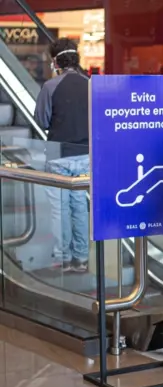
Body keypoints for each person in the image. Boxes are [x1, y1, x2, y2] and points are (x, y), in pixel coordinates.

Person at [35, 38, 89, 273]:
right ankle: (82, 258)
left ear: (56, 61)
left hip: (59, 154)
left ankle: (63, 258)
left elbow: (41, 120)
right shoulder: (91, 84)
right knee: (79, 204)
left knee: (60, 207)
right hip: (86, 155)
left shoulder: (51, 86)